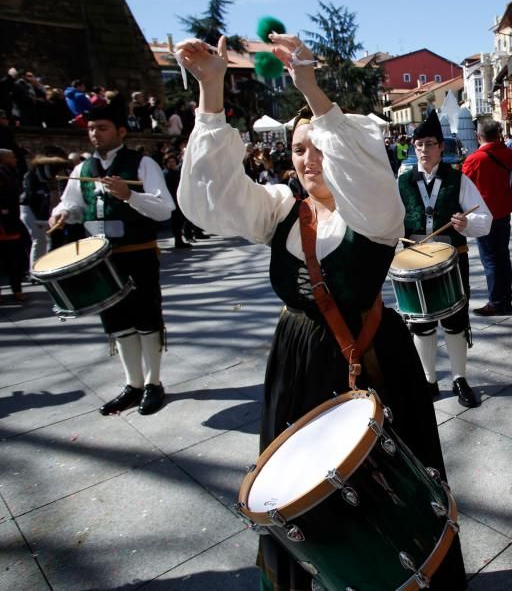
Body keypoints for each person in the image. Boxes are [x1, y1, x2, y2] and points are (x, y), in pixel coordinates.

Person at [175, 34, 467, 590]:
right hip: (297, 362)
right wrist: (211, 89)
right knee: (299, 493)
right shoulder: (280, 210)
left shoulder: (372, 215)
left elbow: (370, 179)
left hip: (373, 360)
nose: (307, 159)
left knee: (386, 487)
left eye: (318, 146)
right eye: (298, 148)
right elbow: (209, 200)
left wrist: (310, 89)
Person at [49, 96, 174, 416]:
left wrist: (129, 195)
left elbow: (164, 209)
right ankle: (132, 385)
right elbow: (73, 206)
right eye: (91, 129)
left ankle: (153, 383)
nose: (95, 134)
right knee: (117, 323)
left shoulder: (142, 164)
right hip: (101, 260)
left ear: (120, 131)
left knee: (146, 319)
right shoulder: (82, 168)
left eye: (102, 128)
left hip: (138, 255)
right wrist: (62, 214)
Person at [399, 110, 491, 407]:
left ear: (441, 146)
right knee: (420, 324)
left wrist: (467, 224)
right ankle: (429, 381)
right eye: (419, 145)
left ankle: (459, 378)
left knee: (455, 320)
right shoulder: (402, 181)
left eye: (429, 143)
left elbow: (484, 218)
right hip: (414, 264)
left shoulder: (457, 179)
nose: (424, 150)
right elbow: (390, 220)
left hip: (452, 261)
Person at [463, 118, 512, 316]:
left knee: (490, 259)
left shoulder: (475, 159)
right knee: (503, 256)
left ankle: (495, 302)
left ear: (478, 136)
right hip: (503, 210)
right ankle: (506, 300)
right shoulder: (507, 152)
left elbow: (464, 183)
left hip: (484, 212)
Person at [0, 148, 26, 302]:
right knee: (10, 258)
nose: (15, 160)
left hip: (11, 222)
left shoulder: (10, 173)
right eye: (12, 157)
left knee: (13, 259)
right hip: (5, 224)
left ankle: (17, 289)